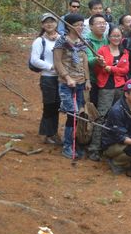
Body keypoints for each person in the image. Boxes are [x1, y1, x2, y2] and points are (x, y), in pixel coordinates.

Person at [53, 13, 91, 159]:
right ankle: (67, 146)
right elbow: (57, 62)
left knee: (79, 114)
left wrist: (87, 80)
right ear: (69, 26)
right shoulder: (61, 41)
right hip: (66, 84)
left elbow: (84, 61)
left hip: (81, 83)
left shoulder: (83, 41)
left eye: (82, 25)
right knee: (72, 114)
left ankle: (75, 143)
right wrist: (67, 77)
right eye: (77, 25)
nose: (80, 27)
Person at [90, 26, 129, 161]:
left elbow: (125, 70)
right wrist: (102, 65)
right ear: (109, 37)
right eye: (113, 36)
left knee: (118, 117)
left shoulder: (124, 51)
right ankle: (94, 148)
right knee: (102, 116)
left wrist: (111, 69)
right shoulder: (102, 50)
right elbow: (97, 70)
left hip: (120, 87)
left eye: (118, 36)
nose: (116, 38)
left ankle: (109, 147)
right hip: (105, 87)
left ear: (122, 37)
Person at [30, 13, 61, 144]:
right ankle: (48, 134)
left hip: (62, 78)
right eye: (46, 22)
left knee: (57, 105)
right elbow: (34, 60)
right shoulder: (39, 41)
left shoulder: (62, 39)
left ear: (56, 23)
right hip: (48, 78)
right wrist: (51, 67)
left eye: (52, 21)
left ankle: (53, 132)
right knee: (49, 106)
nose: (49, 24)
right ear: (42, 25)